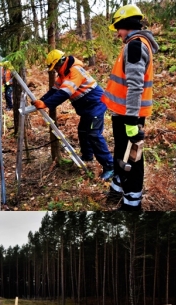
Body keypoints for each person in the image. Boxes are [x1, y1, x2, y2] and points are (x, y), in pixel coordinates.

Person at [101, 4, 159, 210]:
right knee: (121, 154)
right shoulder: (133, 44)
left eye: (118, 28)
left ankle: (132, 204)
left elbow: (135, 86)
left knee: (132, 159)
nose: (117, 33)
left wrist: (132, 121)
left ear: (126, 24)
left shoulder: (135, 46)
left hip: (130, 116)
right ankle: (118, 188)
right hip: (123, 113)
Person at [33, 49, 114, 181]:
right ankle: (88, 156)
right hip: (87, 107)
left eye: (56, 67)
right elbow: (54, 91)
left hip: (96, 104)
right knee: (82, 131)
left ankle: (110, 166)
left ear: (61, 62)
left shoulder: (74, 71)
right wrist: (41, 101)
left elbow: (64, 93)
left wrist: (47, 104)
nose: (56, 70)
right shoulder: (62, 76)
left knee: (93, 134)